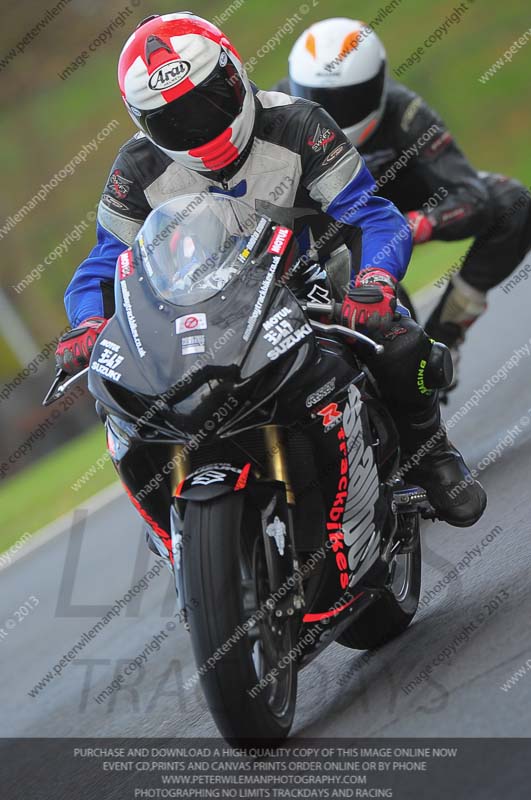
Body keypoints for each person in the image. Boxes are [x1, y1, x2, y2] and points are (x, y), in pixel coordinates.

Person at [55, 12, 486, 559]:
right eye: (173, 120)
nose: (198, 128)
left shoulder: (300, 123)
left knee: (399, 343)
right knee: (118, 389)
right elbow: (102, 263)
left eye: (209, 102)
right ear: (143, 122)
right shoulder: (135, 168)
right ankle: (174, 525)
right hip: (199, 308)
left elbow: (373, 216)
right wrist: (88, 323)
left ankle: (431, 452)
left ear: (234, 73)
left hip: (313, 280)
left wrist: (374, 278)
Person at [276, 17, 531, 380]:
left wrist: (406, 228)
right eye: (320, 99)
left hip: (397, 209)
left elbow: (472, 196)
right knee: (381, 310)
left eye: (348, 99)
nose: (334, 113)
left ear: (379, 83)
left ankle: (447, 334)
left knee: (511, 200)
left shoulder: (406, 112)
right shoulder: (280, 114)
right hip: (327, 228)